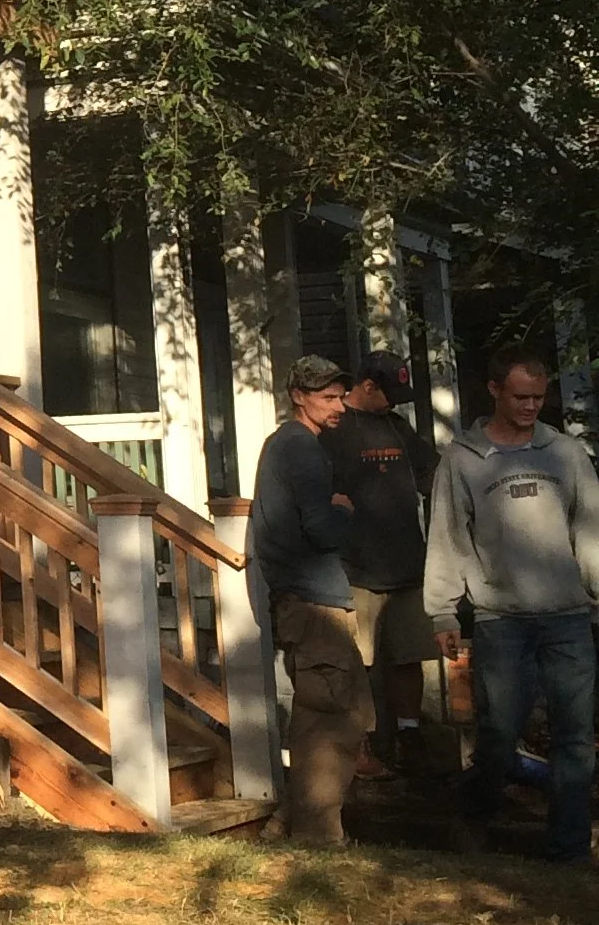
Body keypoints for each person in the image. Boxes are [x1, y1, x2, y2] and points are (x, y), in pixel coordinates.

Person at [425, 346, 599, 862]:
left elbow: (589, 532)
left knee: (575, 735)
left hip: (567, 616)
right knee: (499, 732)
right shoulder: (462, 459)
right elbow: (448, 537)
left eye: (539, 397)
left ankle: (567, 847)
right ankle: (475, 814)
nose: (530, 406)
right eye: (521, 396)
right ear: (495, 390)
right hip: (501, 621)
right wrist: (442, 609)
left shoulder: (565, 454)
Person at [251, 355, 371, 844]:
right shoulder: (299, 447)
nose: (339, 405)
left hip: (307, 599)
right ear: (299, 397)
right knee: (330, 723)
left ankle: (287, 822)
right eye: (328, 397)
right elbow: (320, 529)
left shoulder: (290, 445)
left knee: (341, 713)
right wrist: (342, 510)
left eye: (341, 395)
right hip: (313, 603)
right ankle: (319, 836)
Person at [326, 354, 436, 768]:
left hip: (408, 564)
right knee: (361, 661)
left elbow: (433, 475)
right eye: (390, 393)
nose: (396, 402)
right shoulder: (334, 431)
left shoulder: (397, 427)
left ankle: (410, 732)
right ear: (368, 385)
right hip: (355, 567)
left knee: (410, 654)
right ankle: (367, 739)